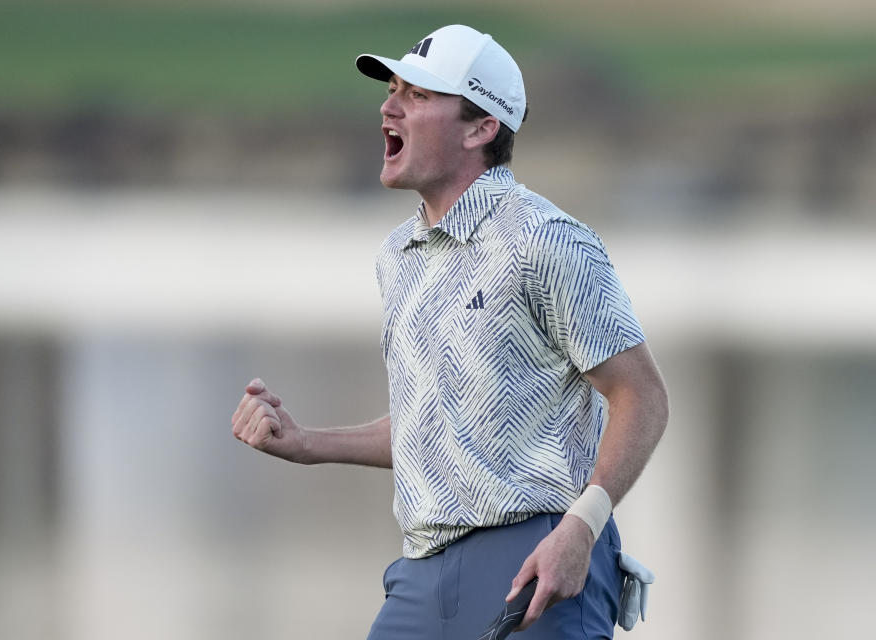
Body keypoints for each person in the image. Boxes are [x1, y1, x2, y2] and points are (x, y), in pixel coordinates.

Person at [231, 24, 669, 639]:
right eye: (392, 90)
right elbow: (433, 428)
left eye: (417, 95)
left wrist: (582, 527)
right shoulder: (398, 256)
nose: (388, 106)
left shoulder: (545, 240)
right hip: (419, 574)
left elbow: (642, 396)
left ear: (480, 127)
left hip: (538, 564)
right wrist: (307, 443)